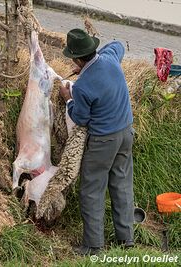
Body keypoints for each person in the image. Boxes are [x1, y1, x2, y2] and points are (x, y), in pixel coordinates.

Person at [60, 28, 135, 255]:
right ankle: (126, 240)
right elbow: (119, 44)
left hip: (103, 140)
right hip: (125, 133)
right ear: (93, 49)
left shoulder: (82, 86)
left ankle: (93, 246)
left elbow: (80, 118)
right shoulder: (111, 58)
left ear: (76, 59)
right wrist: (89, 60)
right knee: (121, 184)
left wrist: (68, 99)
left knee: (92, 190)